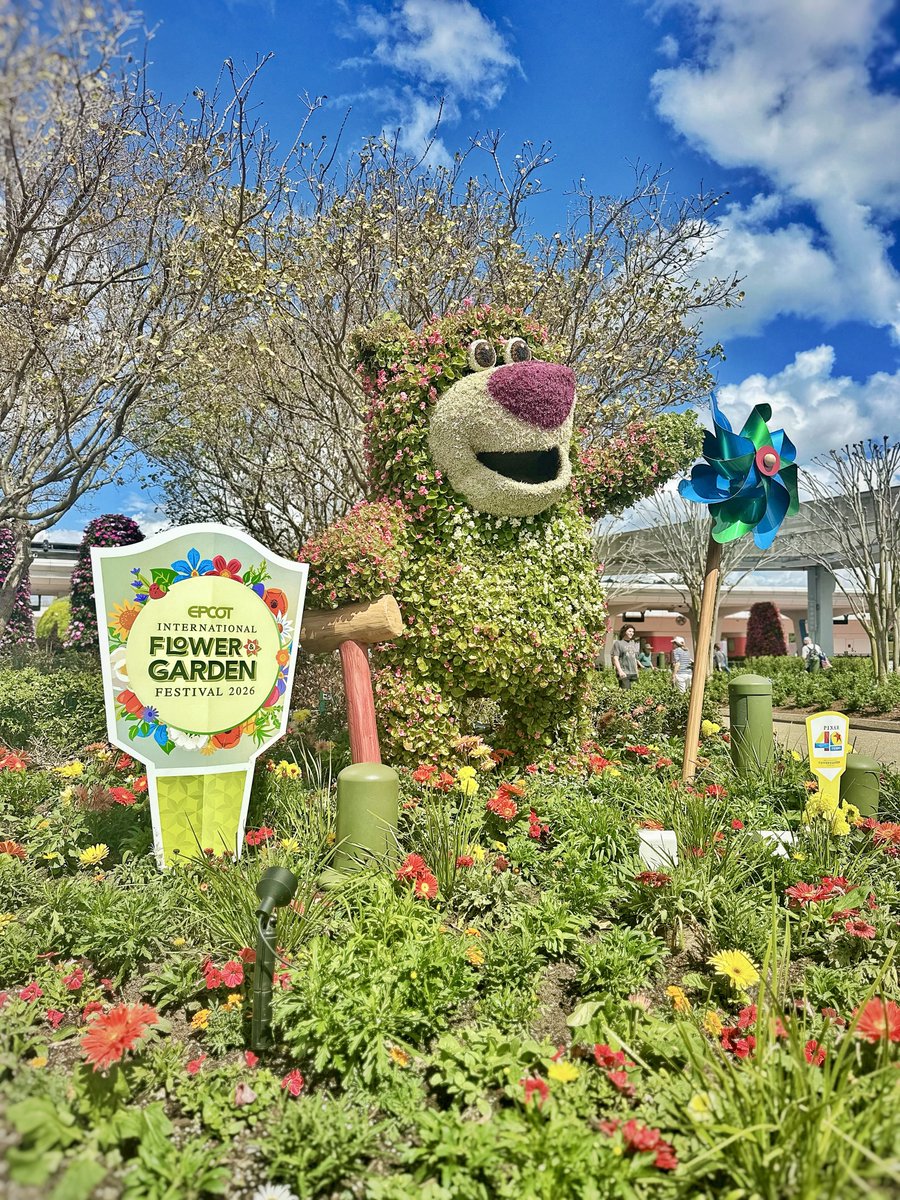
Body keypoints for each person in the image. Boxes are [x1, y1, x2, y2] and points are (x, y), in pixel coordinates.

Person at [612, 624, 640, 690]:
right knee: (625, 694)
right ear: (624, 632)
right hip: (624, 672)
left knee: (634, 695)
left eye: (633, 632)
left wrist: (637, 671)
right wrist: (620, 671)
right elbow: (615, 658)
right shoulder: (618, 643)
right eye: (630, 631)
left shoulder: (633, 643)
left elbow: (634, 659)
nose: (632, 633)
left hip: (633, 673)